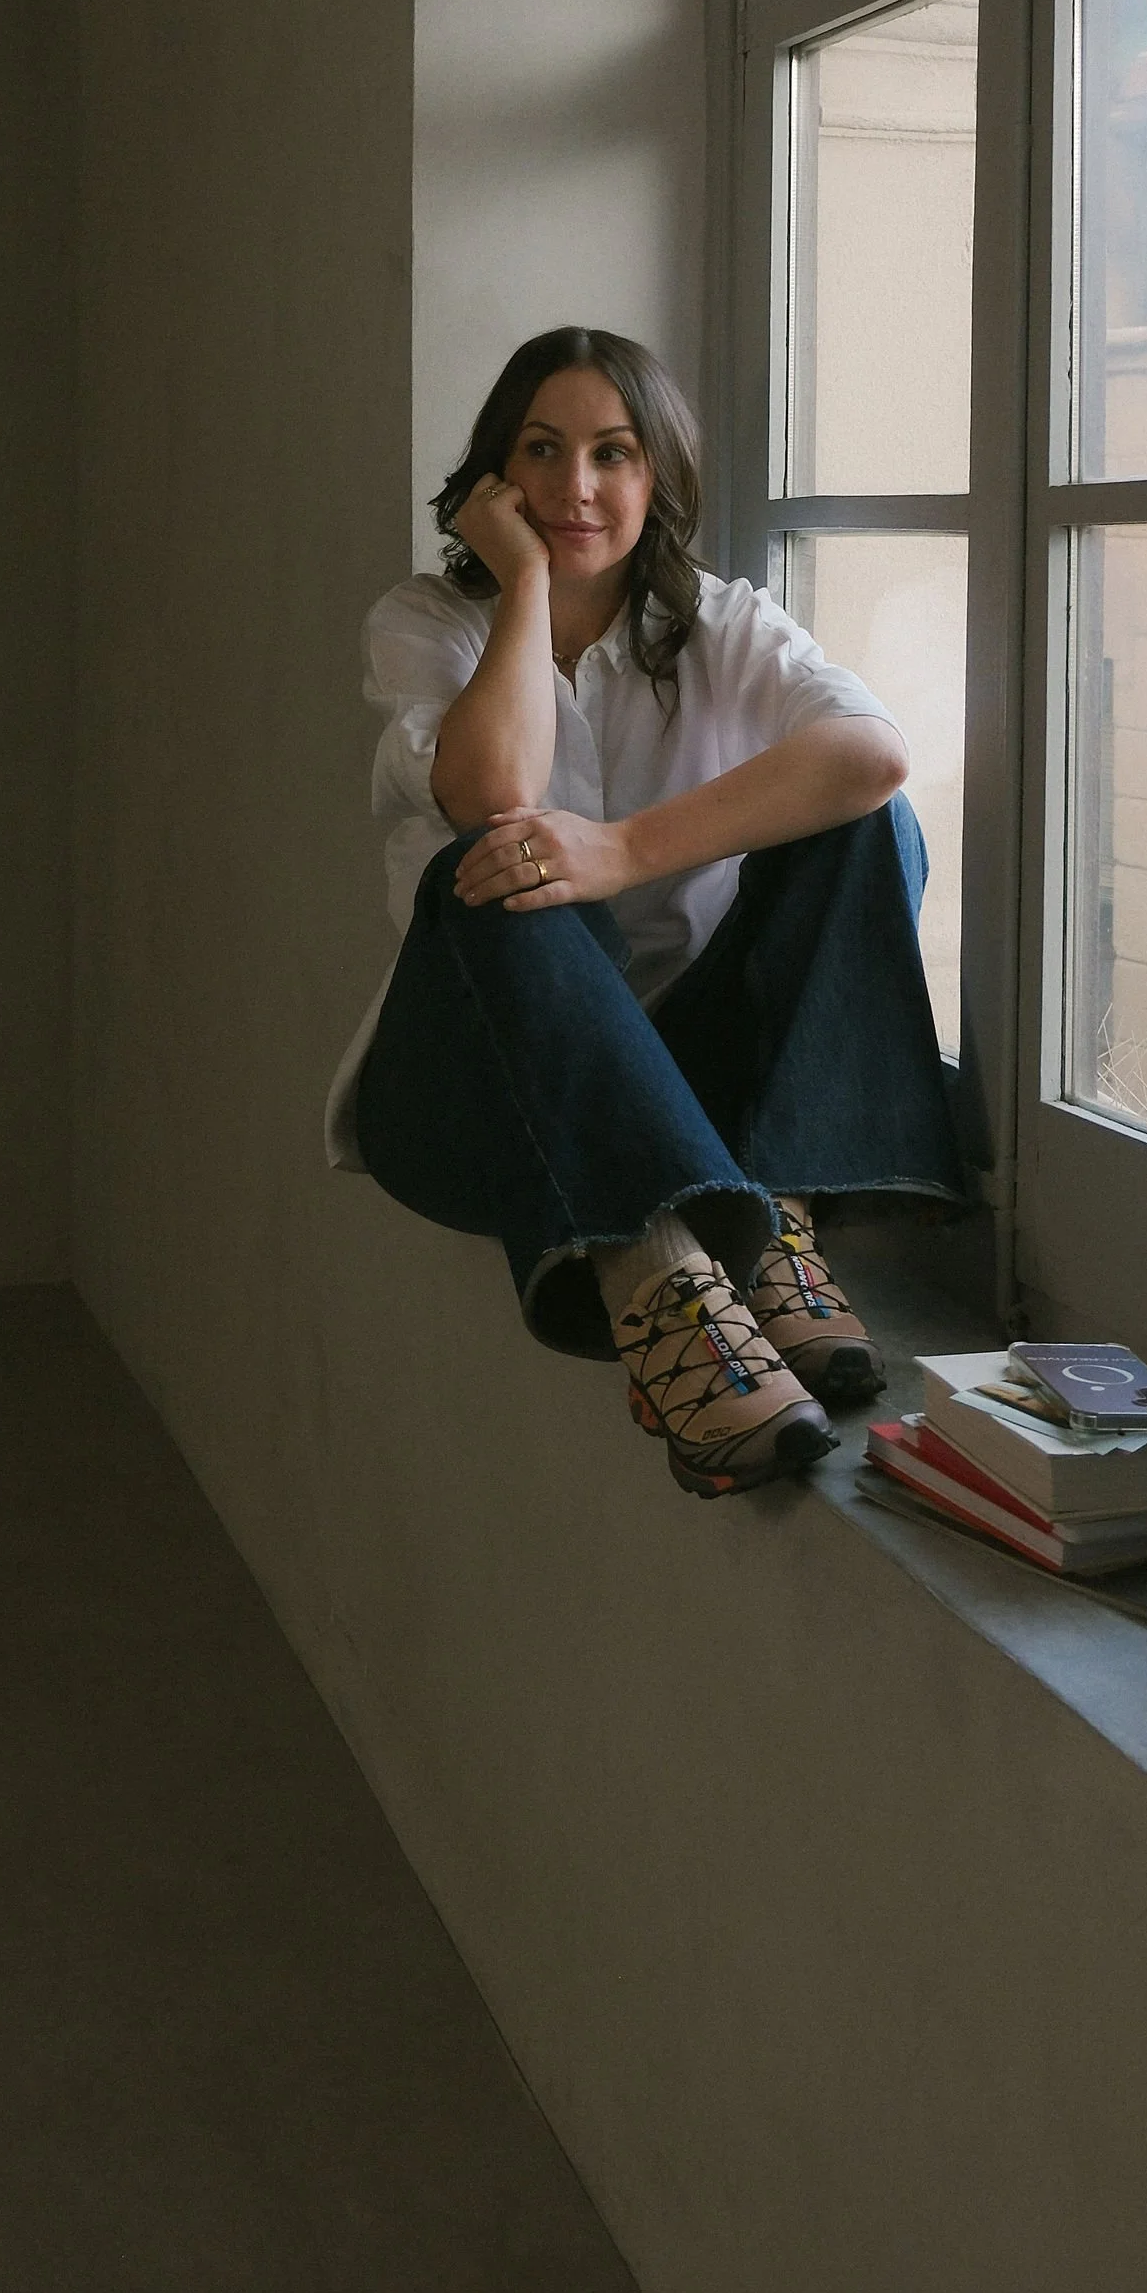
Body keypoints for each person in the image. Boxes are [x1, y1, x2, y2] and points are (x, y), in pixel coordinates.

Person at [327, 324, 970, 1499]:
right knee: (503, 865)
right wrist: (525, 584)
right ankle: (666, 1287)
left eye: (614, 453)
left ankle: (771, 1219)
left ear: (656, 476)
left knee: (866, 820)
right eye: (542, 449)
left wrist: (624, 850)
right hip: (480, 1077)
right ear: (495, 477)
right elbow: (490, 793)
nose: (576, 487)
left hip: (695, 1082)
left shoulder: (722, 624)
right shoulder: (426, 620)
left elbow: (874, 757)